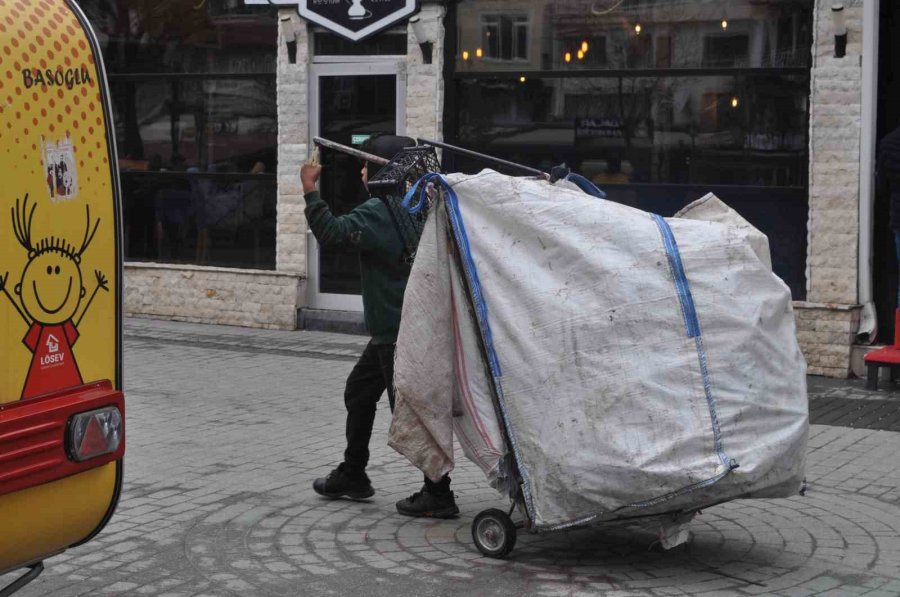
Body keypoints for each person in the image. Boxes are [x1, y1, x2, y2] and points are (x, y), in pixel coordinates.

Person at [301, 134, 458, 519]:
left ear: (381, 169)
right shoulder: (419, 205)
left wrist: (310, 190)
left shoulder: (379, 209)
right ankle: (353, 472)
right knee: (358, 392)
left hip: (395, 329)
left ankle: (439, 493)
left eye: (365, 163)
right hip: (404, 325)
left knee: (407, 409)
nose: (361, 169)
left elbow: (332, 234)